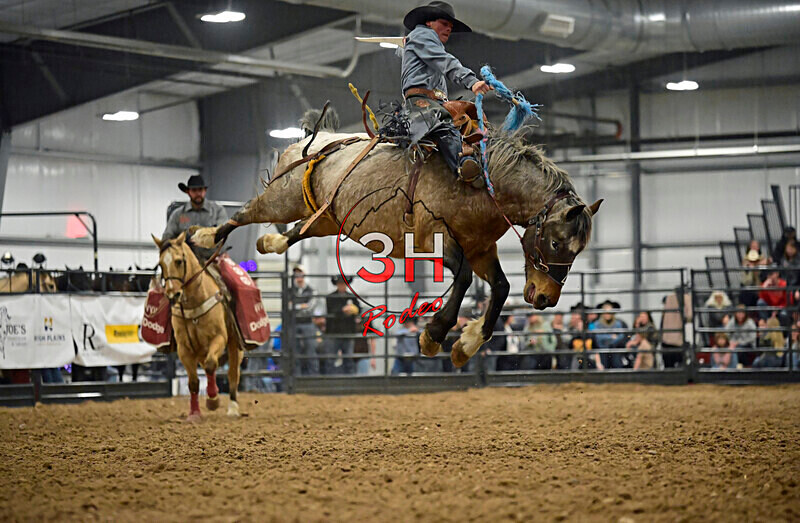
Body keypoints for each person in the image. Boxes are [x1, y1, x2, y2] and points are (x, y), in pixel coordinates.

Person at [401, 1, 492, 182]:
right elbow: (446, 62)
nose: (449, 29)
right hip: (422, 103)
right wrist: (471, 81)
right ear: (429, 22)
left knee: (469, 123)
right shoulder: (422, 35)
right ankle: (465, 165)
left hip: (435, 103)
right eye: (444, 23)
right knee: (444, 123)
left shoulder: (422, 40)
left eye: (451, 26)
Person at [162, 175, 228, 244]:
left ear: (205, 191)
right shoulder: (177, 215)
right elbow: (167, 237)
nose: (198, 193)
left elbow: (223, 233)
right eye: (194, 190)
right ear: (188, 192)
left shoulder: (218, 211)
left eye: (200, 190)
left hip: (215, 254)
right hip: (186, 253)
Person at [325, 275, 361, 374]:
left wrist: (353, 310)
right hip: (334, 333)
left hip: (348, 332)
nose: (342, 285)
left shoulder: (352, 297)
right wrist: (343, 310)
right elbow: (331, 311)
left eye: (344, 283)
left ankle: (350, 381)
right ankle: (330, 381)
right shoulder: (331, 297)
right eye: (340, 283)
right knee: (330, 359)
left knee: (348, 359)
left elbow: (359, 309)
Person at [291, 264, 319, 376]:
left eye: (300, 274)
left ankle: (313, 378)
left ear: (304, 275)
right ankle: (297, 378)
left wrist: (295, 306)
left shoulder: (311, 290)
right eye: (296, 274)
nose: (298, 276)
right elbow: (288, 307)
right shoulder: (291, 291)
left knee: (310, 352)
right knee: (294, 353)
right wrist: (302, 306)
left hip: (306, 323)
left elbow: (310, 307)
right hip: (295, 324)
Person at [592, 299, 628, 369]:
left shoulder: (618, 323)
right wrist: (611, 337)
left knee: (617, 364)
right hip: (602, 350)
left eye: (609, 312)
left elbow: (621, 336)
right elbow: (598, 338)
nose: (607, 314)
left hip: (615, 349)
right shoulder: (597, 324)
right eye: (605, 312)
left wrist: (608, 339)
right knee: (603, 364)